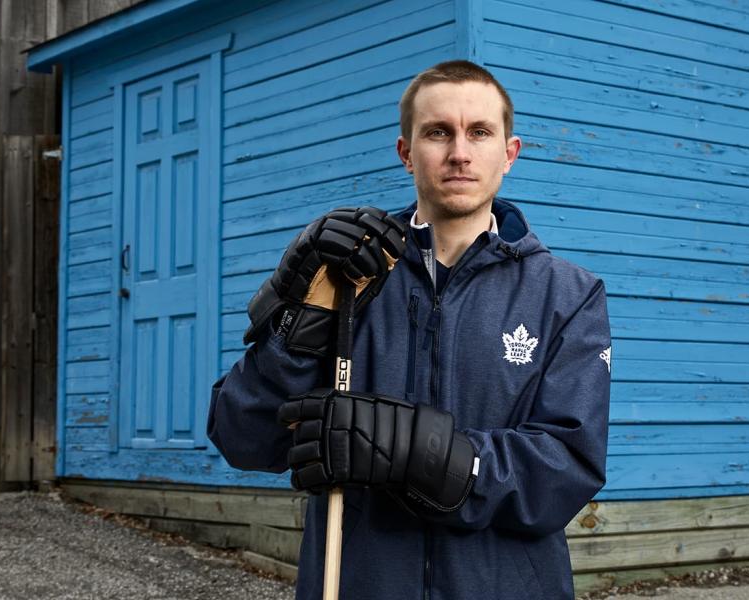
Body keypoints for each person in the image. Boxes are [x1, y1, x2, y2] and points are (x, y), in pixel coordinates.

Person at [208, 60, 612, 600]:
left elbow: (567, 468)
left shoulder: (567, 293)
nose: (460, 153)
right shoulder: (347, 276)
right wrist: (297, 318)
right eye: (438, 132)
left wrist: (421, 455)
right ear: (406, 152)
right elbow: (243, 437)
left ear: (509, 154)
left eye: (480, 132)